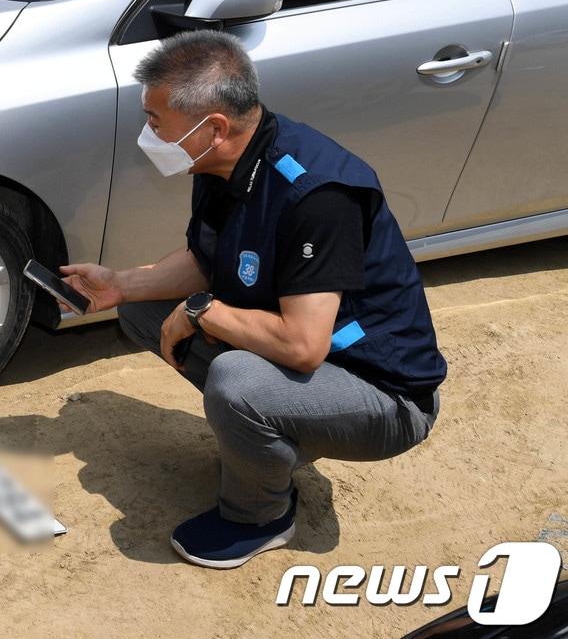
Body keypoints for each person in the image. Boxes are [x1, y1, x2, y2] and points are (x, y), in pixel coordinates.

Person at [61, 30, 445, 569]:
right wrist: (123, 283)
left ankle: (260, 516)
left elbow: (304, 345)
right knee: (143, 310)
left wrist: (201, 310)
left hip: (383, 394)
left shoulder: (318, 195)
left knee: (237, 380)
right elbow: (209, 257)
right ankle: (269, 436)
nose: (147, 132)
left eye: (154, 120)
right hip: (318, 362)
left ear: (213, 126)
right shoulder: (224, 162)